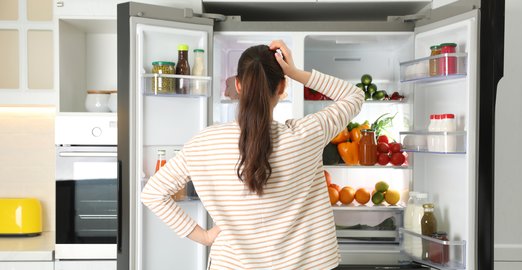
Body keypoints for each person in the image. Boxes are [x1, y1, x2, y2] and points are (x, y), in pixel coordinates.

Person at [141, 40, 365, 269]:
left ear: (238, 85)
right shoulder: (307, 135)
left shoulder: (204, 143)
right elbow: (354, 96)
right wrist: (294, 71)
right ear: (281, 87)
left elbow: (153, 194)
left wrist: (205, 237)